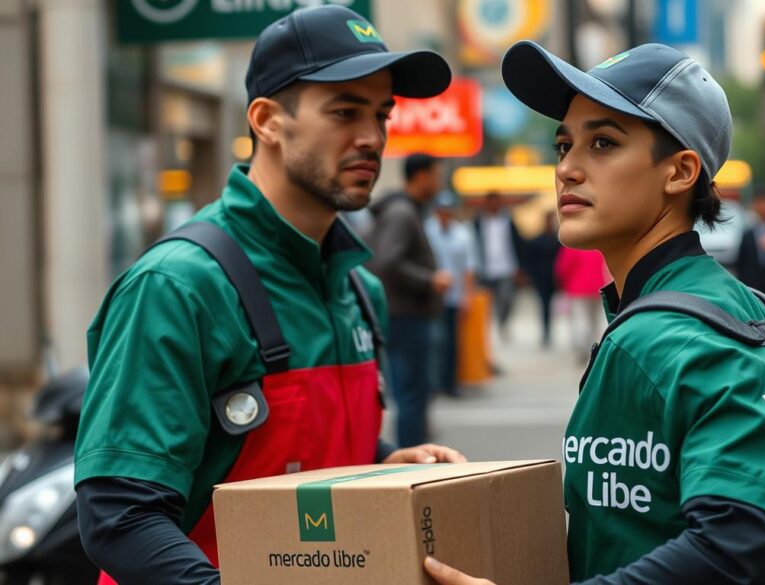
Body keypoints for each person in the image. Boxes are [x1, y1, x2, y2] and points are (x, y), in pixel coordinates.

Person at [73, 7, 465, 585]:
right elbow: (119, 516)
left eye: (381, 114)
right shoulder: (178, 287)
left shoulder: (359, 288)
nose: (372, 138)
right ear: (267, 121)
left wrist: (381, 461)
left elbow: (293, 455)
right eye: (345, 112)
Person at [425, 41, 765, 585]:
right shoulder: (730, 309)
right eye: (563, 145)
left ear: (680, 171)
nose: (567, 169)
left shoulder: (674, 338)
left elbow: (746, 550)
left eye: (602, 143)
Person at [364, 153, 451, 445]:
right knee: (412, 394)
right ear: (421, 176)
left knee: (410, 392)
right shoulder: (402, 212)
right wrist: (430, 279)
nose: (438, 183)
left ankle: (414, 450)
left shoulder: (403, 209)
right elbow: (388, 261)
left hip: (403, 314)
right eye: (436, 176)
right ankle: (414, 456)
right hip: (407, 315)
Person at [424, 191, 479, 397]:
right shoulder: (427, 230)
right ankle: (433, 382)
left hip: (455, 296)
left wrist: (468, 296)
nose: (444, 215)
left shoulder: (462, 234)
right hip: (432, 296)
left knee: (452, 342)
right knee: (434, 340)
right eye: (441, 211)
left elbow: (468, 268)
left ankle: (450, 382)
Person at [473, 192, 523, 341]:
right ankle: (485, 328)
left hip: (506, 267)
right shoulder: (478, 222)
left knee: (506, 299)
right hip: (484, 268)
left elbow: (518, 243)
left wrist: (518, 267)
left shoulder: (508, 221)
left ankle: (503, 322)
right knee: (484, 301)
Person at [554, 246, 609, 364]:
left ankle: (583, 350)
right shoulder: (598, 246)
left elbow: (562, 268)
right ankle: (596, 347)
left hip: (578, 288)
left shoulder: (572, 246)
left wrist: (563, 284)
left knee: (581, 320)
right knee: (595, 321)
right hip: (598, 286)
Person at [521, 211, 562, 347]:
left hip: (553, 278)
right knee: (544, 304)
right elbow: (529, 259)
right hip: (541, 278)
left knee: (549, 305)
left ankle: (548, 331)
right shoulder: (538, 240)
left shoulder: (557, 240)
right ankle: (546, 331)